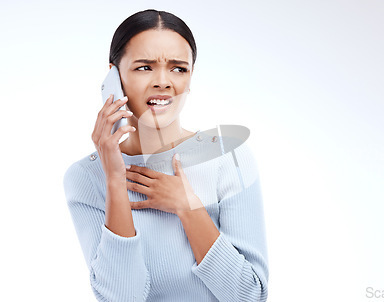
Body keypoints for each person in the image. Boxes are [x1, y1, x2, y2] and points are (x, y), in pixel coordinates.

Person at [63, 9, 269, 301]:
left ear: (190, 76)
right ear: (114, 76)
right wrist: (113, 178)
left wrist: (188, 207)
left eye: (178, 68)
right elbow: (122, 297)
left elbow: (248, 295)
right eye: (144, 67)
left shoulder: (228, 158)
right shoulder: (85, 177)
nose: (163, 81)